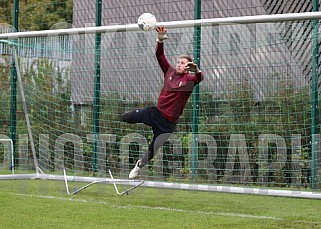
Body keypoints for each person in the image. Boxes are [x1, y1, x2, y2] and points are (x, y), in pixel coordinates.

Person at [122, 26, 204, 178]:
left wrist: (197, 70)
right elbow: (159, 55)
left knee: (153, 150)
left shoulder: (189, 80)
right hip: (155, 113)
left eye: (183, 63)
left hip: (168, 124)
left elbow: (199, 78)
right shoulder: (170, 71)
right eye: (178, 62)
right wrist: (160, 39)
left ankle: (139, 166)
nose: (179, 64)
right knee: (126, 117)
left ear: (188, 66)